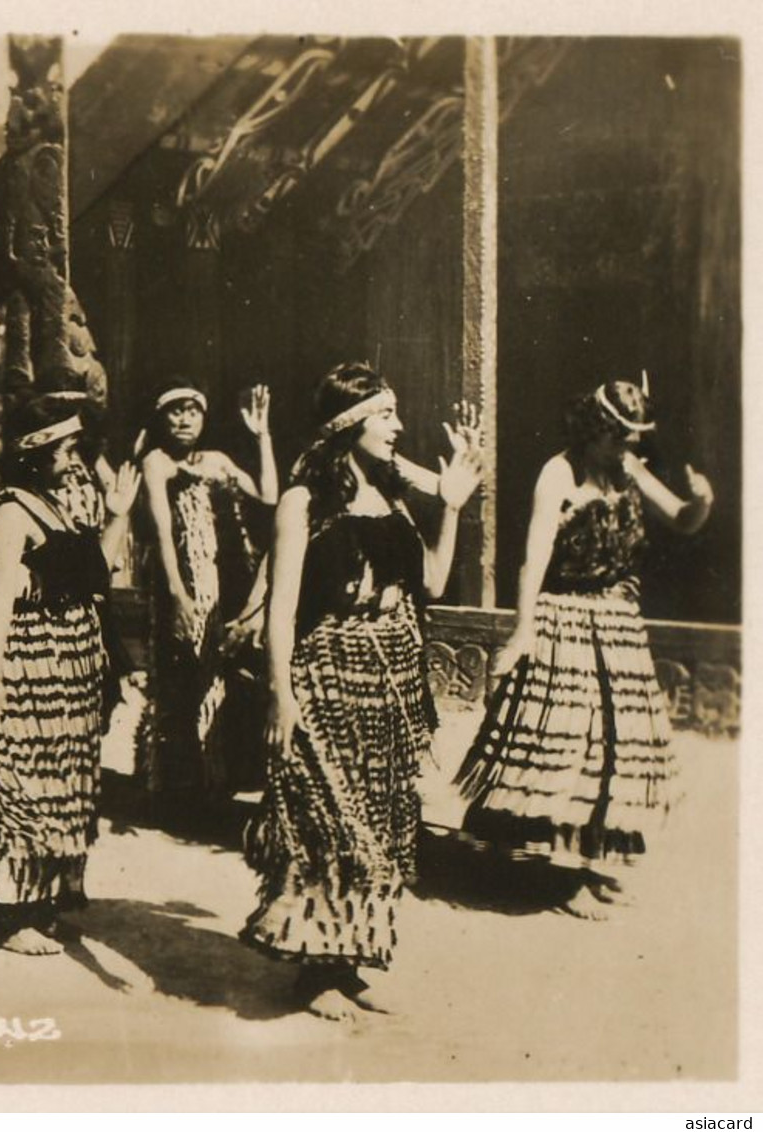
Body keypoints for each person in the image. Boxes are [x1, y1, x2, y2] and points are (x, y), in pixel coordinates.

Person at [241, 362, 482, 1020]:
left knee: (378, 821)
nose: (398, 426)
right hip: (327, 674)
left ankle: (346, 957)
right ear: (348, 424)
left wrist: (453, 506)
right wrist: (280, 696)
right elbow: (280, 610)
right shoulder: (304, 502)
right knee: (324, 819)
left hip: (392, 681)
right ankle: (315, 968)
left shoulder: (393, 500)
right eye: (385, 414)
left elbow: (431, 584)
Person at [455, 378, 714, 917]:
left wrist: (704, 500)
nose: (627, 449)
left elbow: (683, 520)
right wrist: (525, 631)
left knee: (614, 748)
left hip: (617, 620)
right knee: (568, 743)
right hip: (566, 617)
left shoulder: (629, 470)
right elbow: (535, 557)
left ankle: (592, 859)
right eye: (618, 438)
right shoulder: (560, 472)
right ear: (595, 430)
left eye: (632, 440)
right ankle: (561, 876)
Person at [0, 394, 141, 956]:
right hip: (23, 664)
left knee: (53, 783)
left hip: (66, 669)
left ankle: (39, 900)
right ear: (37, 454)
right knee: (10, 784)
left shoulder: (59, 506)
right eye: (68, 449)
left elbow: (95, 575)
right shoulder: (11, 514)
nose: (75, 459)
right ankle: (6, 910)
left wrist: (116, 515)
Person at [136, 382, 278, 807]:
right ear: (162, 419)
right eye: (175, 412)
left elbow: (269, 497)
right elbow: (162, 533)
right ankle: (175, 785)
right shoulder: (156, 463)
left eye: (192, 411)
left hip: (221, 586)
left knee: (221, 676)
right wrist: (177, 594)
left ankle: (217, 777)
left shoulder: (217, 461)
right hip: (181, 584)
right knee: (180, 678)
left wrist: (263, 437)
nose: (184, 419)